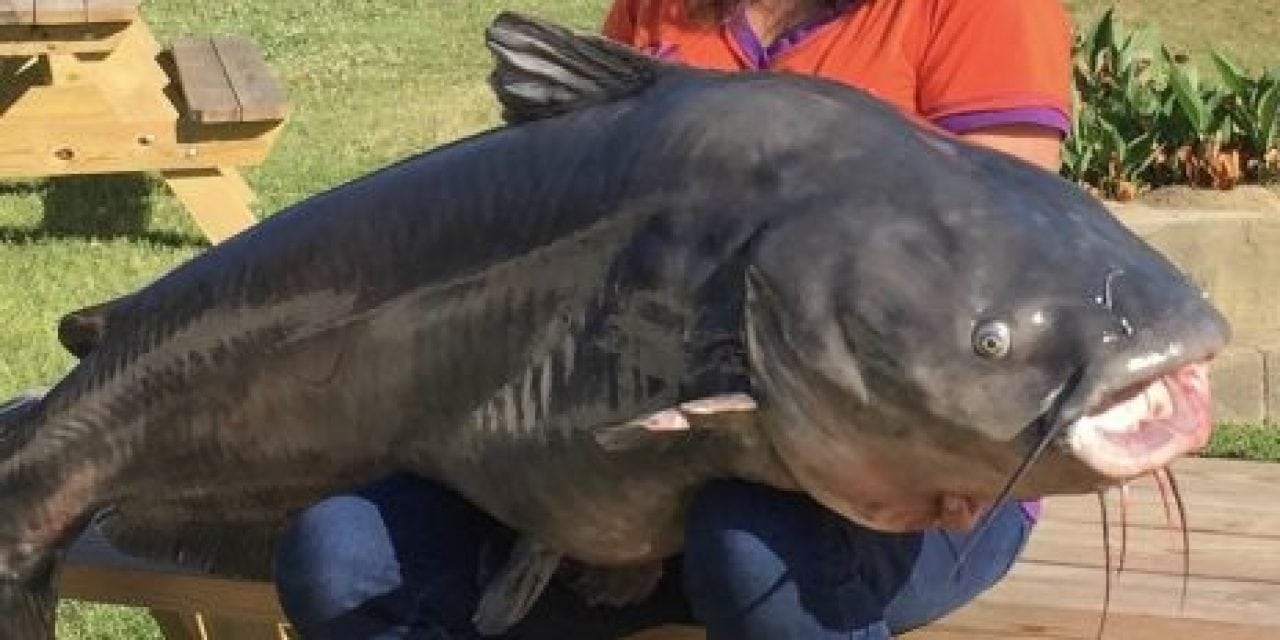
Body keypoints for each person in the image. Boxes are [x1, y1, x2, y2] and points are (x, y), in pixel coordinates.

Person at [273, 1, 1074, 638]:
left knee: (747, 544)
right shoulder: (663, 8)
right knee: (342, 560)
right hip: (608, 486)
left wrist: (964, 459)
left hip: (901, 496)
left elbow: (1013, 277)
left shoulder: (981, 10)